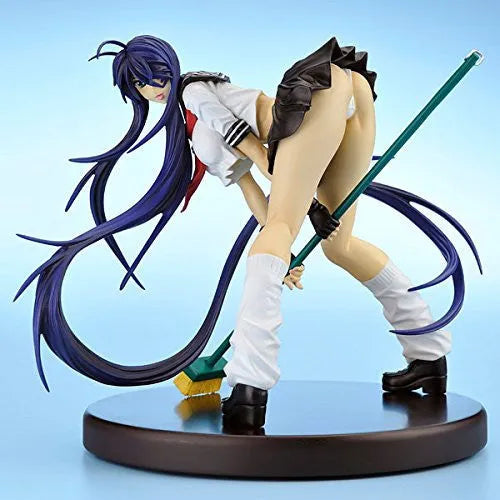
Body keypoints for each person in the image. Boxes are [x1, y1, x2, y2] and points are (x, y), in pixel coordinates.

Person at [15, 36, 480, 430]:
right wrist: (285, 242)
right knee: (340, 246)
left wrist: (291, 217)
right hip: (345, 93)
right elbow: (254, 192)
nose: (152, 88)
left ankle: (249, 387)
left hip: (311, 101)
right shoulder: (190, 127)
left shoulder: (191, 91)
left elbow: (253, 148)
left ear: (169, 66)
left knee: (278, 232)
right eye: (139, 84)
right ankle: (428, 358)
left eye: (153, 75)